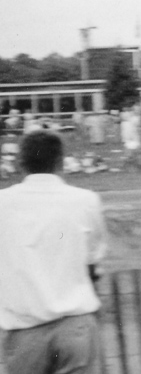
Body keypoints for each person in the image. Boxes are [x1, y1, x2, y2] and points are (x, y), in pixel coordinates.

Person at [0, 130, 108, 374]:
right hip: (75, 326)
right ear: (60, 162)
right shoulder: (85, 200)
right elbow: (93, 262)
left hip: (26, 331)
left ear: (21, 163)